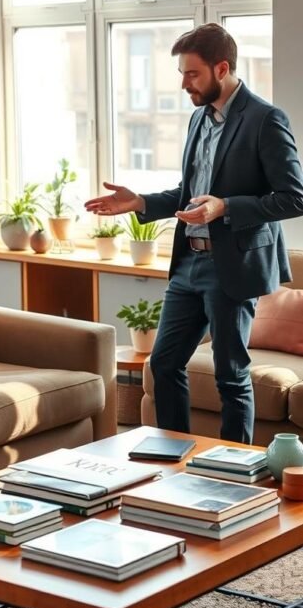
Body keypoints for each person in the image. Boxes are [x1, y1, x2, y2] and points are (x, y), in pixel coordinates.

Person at [85, 23, 303, 444]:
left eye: (192, 74)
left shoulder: (265, 119)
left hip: (233, 267)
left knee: (230, 376)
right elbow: (189, 195)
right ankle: (176, 462)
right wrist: (140, 202)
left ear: (222, 68)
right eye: (182, 74)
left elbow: (293, 197)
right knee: (164, 364)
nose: (184, 84)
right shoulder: (197, 120)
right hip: (188, 264)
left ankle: (235, 472)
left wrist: (228, 207)